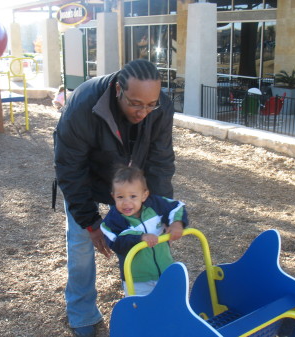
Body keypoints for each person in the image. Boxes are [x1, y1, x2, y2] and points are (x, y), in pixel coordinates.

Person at [54, 59, 175, 337]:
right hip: (89, 176)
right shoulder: (84, 104)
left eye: (150, 104)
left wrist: (160, 210)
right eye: (136, 104)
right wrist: (91, 222)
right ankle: (82, 313)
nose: (144, 111)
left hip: (131, 180)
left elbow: (161, 161)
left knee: (144, 238)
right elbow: (70, 168)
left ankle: (144, 304)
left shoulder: (160, 105)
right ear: (119, 89)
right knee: (82, 243)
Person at [100, 165, 187, 296]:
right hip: (137, 279)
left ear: (144, 195)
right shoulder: (113, 220)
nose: (126, 203)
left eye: (133, 196)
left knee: (169, 305)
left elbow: (176, 206)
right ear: (113, 197)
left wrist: (177, 223)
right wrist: (140, 237)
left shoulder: (155, 205)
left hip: (165, 271)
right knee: (143, 311)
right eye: (120, 197)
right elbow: (116, 242)